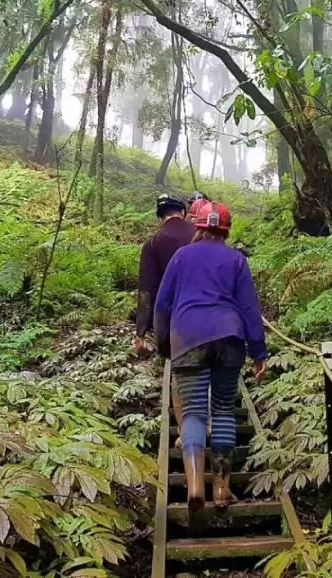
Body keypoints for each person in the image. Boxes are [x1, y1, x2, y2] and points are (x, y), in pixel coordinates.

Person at [154, 201, 268, 516]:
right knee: (223, 413)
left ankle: (194, 488)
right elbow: (249, 308)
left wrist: (163, 342)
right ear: (226, 230)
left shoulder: (181, 256)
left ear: (199, 226)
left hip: (188, 337)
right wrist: (259, 352)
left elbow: (162, 304)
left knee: (193, 414)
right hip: (229, 338)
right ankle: (220, 489)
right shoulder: (236, 260)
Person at [134, 193, 195, 442]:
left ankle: (186, 429)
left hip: (172, 319)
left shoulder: (153, 243)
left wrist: (141, 331)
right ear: (182, 211)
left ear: (161, 217)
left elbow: (146, 289)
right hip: (210, 314)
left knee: (179, 372)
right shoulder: (200, 234)